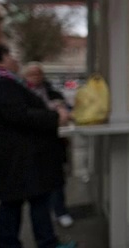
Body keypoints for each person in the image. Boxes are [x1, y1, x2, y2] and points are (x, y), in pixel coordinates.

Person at [0, 45, 76, 248]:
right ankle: (42, 243)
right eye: (9, 55)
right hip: (19, 157)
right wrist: (56, 117)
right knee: (27, 201)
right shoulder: (2, 84)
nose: (14, 59)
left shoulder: (7, 82)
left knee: (24, 201)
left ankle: (36, 242)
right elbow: (20, 115)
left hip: (17, 157)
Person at [23, 62, 75, 228]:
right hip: (33, 143)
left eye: (38, 73)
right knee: (39, 184)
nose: (36, 77)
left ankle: (60, 211)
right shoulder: (22, 93)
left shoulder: (51, 91)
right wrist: (54, 113)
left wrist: (60, 108)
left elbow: (65, 108)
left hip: (53, 142)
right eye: (32, 74)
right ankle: (46, 217)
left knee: (57, 180)